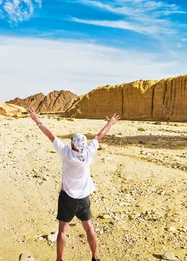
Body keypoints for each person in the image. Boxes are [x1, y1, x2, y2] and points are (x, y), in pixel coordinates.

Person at [28, 108, 120, 261]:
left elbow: (50, 135)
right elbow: (99, 136)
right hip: (84, 197)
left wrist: (37, 120)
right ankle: (95, 257)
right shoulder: (89, 152)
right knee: (89, 227)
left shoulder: (67, 153)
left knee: (63, 230)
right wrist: (110, 123)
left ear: (72, 144)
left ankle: (59, 260)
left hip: (67, 198)